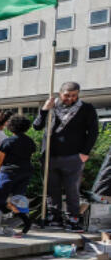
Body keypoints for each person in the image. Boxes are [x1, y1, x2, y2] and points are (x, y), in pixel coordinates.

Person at [32, 81, 100, 230]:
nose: (70, 98)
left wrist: (84, 153)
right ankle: (54, 218)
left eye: (74, 95)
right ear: (60, 94)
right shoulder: (51, 106)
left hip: (73, 157)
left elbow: (93, 132)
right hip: (50, 155)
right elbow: (37, 126)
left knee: (72, 189)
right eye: (67, 95)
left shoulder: (86, 108)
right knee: (51, 189)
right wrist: (44, 109)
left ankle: (73, 218)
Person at [0, 114, 36, 237]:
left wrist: (0, 171)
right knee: (18, 200)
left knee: (0, 200)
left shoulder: (7, 141)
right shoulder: (30, 141)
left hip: (8, 172)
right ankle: (10, 226)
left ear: (11, 127)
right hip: (25, 172)